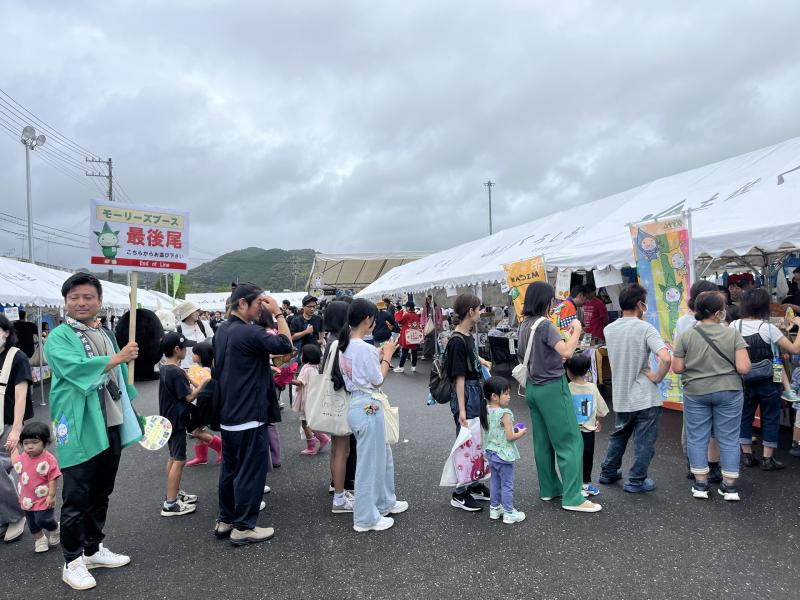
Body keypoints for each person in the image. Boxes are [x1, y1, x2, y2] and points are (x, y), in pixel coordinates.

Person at [45, 273, 141, 591]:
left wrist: (131, 408)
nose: (81, 303)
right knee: (76, 496)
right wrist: (118, 357)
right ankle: (72, 561)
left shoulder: (105, 333)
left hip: (109, 421)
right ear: (65, 302)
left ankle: (93, 548)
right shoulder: (59, 337)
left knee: (101, 491)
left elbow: (121, 376)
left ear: (99, 301)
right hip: (79, 424)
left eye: (88, 297)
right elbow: (74, 368)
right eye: (74, 297)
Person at [213, 284, 293, 545]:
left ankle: (226, 520)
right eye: (259, 302)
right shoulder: (249, 332)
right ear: (242, 304)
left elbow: (236, 364)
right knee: (251, 472)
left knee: (230, 470)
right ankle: (244, 527)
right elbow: (286, 345)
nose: (262, 307)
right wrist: (278, 313)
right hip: (249, 413)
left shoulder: (223, 330)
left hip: (229, 413)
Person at [517, 282, 600, 513]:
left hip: (533, 388)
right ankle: (573, 497)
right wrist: (577, 329)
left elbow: (526, 356)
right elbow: (567, 351)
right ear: (545, 300)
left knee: (543, 442)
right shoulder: (545, 325)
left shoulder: (524, 324)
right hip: (552, 388)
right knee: (570, 441)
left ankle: (549, 488)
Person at [672, 291, 751, 501]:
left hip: (696, 391)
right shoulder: (733, 334)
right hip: (729, 391)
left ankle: (701, 484)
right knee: (729, 438)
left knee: (697, 437)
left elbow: (677, 368)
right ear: (718, 313)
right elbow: (744, 368)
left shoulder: (687, 335)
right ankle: (729, 487)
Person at [338, 298, 407, 532]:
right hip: (369, 406)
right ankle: (365, 518)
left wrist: (380, 353)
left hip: (358, 405)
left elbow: (360, 369)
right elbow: (377, 379)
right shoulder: (364, 348)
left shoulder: (346, 344)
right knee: (370, 464)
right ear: (368, 319)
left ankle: (385, 502)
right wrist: (387, 355)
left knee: (382, 456)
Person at [599, 283, 671, 493]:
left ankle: (608, 472)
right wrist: (657, 377)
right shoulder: (645, 328)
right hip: (645, 395)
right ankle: (636, 481)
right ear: (640, 304)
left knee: (619, 435)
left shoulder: (609, 329)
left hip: (621, 393)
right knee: (644, 441)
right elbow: (666, 357)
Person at [731, 288, 800, 470]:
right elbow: (794, 349)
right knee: (770, 417)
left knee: (744, 417)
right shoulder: (769, 328)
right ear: (764, 306)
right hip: (769, 381)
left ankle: (747, 455)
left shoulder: (734, 326)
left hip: (743, 380)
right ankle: (767, 459)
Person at [447, 293, 493, 512]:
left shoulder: (465, 335)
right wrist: (462, 409)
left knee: (475, 441)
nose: (481, 312)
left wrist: (482, 361)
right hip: (465, 392)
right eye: (478, 308)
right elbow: (459, 377)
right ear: (470, 312)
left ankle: (473, 483)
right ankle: (459, 492)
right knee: (466, 442)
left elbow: (470, 358)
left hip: (472, 391)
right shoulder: (457, 340)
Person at [159, 332, 206, 517]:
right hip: (177, 420)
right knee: (179, 459)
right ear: (177, 349)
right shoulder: (176, 372)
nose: (187, 350)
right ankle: (170, 504)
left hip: (167, 419)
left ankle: (174, 493)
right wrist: (203, 385)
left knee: (173, 457)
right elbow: (189, 397)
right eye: (184, 347)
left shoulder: (165, 368)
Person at [1, 313, 34, 544]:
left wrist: (16, 429)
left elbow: (21, 396)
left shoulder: (17, 356)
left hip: (8, 422)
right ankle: (6, 517)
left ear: (6, 332)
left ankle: (15, 515)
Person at [323, 301, 357, 512]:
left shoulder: (330, 340)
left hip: (333, 404)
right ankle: (339, 498)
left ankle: (338, 489)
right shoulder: (338, 343)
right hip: (341, 402)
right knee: (343, 451)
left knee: (337, 449)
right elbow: (340, 377)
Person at [11, 421, 61, 553]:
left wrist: (51, 495)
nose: (30, 446)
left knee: (44, 519)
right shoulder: (23, 457)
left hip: (43, 498)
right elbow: (16, 464)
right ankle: (40, 539)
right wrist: (13, 449)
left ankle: (55, 528)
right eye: (26, 443)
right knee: (32, 523)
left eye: (34, 442)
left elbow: (53, 477)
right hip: (26, 498)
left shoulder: (48, 459)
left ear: (45, 442)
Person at [483, 376, 526, 524]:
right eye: (506, 393)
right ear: (494, 396)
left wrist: (511, 430)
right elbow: (510, 437)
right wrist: (521, 433)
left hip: (491, 453)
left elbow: (496, 431)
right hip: (503, 456)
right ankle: (509, 512)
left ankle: (495, 508)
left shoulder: (486, 410)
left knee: (495, 481)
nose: (509, 396)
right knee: (507, 484)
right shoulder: (505, 413)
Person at [566, 353, 609, 497]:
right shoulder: (592, 387)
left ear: (569, 371)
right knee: (587, 456)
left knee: (573, 457)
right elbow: (600, 408)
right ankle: (584, 484)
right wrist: (597, 420)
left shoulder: (567, 388)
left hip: (571, 430)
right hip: (588, 430)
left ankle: (575, 485)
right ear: (587, 371)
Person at [184, 342, 223, 467]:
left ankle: (221, 447)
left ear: (201, 356)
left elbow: (201, 387)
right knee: (197, 429)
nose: (192, 356)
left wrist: (188, 378)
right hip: (196, 403)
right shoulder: (198, 368)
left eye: (195, 353)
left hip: (201, 404)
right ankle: (201, 457)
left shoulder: (206, 371)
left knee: (195, 431)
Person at [291, 344, 331, 456]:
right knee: (310, 422)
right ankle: (323, 438)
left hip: (307, 400)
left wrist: (288, 379)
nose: (301, 356)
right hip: (312, 399)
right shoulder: (315, 367)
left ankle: (312, 447)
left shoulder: (306, 368)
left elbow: (300, 382)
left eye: (302, 354)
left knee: (305, 424)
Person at [174, 301, 213, 370]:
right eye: (195, 312)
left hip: (204, 368)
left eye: (197, 311)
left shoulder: (203, 325)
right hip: (187, 368)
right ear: (188, 314)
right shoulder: (178, 329)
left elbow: (212, 340)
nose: (198, 313)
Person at [394, 301, 422, 374]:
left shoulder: (407, 315)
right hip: (414, 335)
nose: (406, 308)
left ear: (408, 307)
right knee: (414, 351)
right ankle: (413, 366)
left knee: (404, 351)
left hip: (407, 335)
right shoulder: (416, 315)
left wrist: (399, 312)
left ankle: (401, 367)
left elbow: (399, 320)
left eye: (406, 307)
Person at [422, 295, 443, 359]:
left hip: (434, 325)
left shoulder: (437, 307)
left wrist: (438, 324)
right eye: (427, 299)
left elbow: (440, 316)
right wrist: (423, 324)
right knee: (427, 339)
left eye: (430, 299)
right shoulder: (425, 307)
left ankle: (435, 353)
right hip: (427, 325)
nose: (429, 301)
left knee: (434, 339)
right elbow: (423, 316)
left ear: (432, 299)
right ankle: (426, 353)